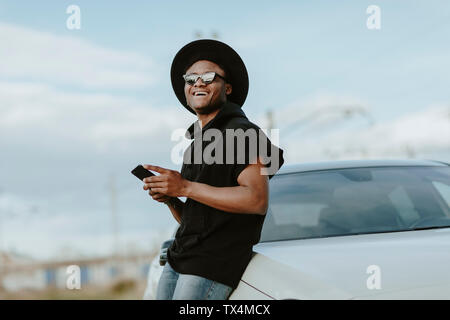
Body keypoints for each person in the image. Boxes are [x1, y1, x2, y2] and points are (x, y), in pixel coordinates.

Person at [142, 39, 284, 300]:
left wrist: (185, 186)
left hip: (211, 265)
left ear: (227, 87)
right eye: (190, 78)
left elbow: (256, 200)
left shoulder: (243, 133)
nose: (198, 82)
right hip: (178, 259)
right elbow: (197, 221)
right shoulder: (195, 146)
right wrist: (172, 199)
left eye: (208, 76)